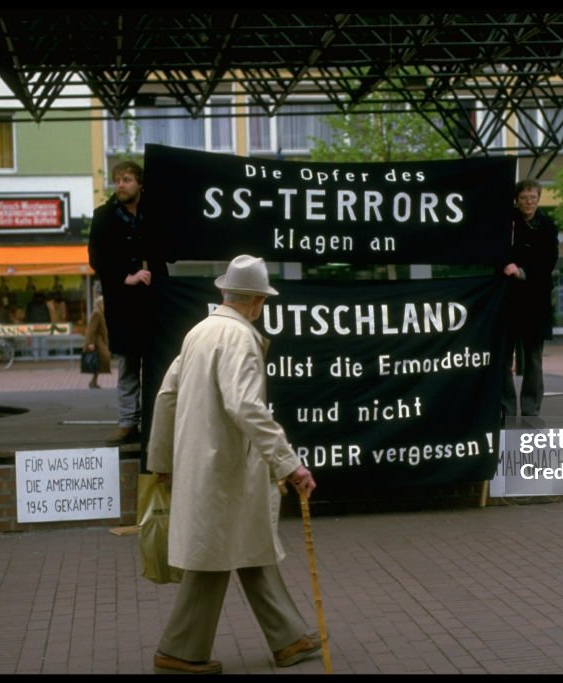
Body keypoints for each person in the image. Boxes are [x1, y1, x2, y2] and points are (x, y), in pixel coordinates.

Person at [146, 254, 321, 675]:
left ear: (226, 293)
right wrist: (288, 463)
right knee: (217, 553)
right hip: (226, 468)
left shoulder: (199, 332)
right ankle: (180, 651)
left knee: (244, 543)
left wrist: (162, 460)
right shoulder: (240, 339)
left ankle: (288, 638)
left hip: (204, 466)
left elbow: (166, 395)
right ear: (258, 301)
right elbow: (246, 405)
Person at [88, 160, 167, 446]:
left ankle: (155, 424)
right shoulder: (103, 216)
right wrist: (126, 276)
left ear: (140, 184)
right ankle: (127, 423)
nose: (120, 184)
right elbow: (96, 259)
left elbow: (169, 251)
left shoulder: (155, 214)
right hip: (124, 304)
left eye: (126, 179)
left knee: (157, 365)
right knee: (129, 365)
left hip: (156, 302)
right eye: (117, 180)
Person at [500, 178, 559, 424]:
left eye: (533, 197)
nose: (528, 201)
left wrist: (523, 271)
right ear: (517, 199)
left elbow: (549, 261)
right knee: (504, 357)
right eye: (524, 197)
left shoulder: (547, 226)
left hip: (535, 301)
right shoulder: (506, 224)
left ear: (539, 198)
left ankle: (531, 409)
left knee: (534, 358)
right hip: (507, 301)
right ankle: (507, 408)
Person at [83, 295, 111, 389]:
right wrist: (90, 343)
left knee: (98, 361)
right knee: (101, 359)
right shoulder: (97, 313)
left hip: (100, 341)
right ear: (100, 304)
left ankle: (93, 381)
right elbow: (91, 329)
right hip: (97, 341)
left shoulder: (100, 313)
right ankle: (93, 381)